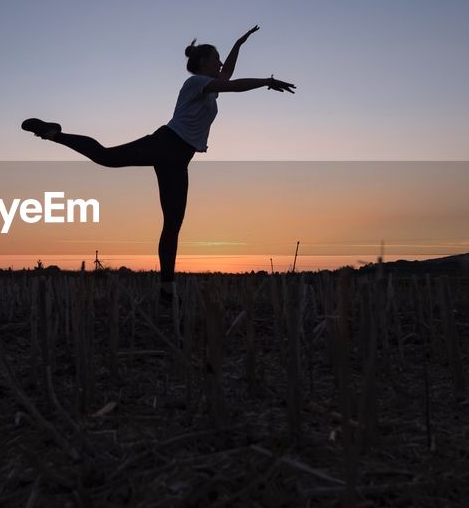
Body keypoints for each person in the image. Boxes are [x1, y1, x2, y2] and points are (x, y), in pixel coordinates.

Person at [22, 25, 295, 304]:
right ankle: (55, 133)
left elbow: (228, 76)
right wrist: (266, 81)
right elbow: (233, 84)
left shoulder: (210, 90)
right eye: (216, 58)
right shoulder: (196, 83)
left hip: (179, 161)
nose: (221, 63)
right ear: (202, 63)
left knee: (173, 224)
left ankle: (167, 291)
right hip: (167, 144)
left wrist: (239, 43)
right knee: (106, 157)